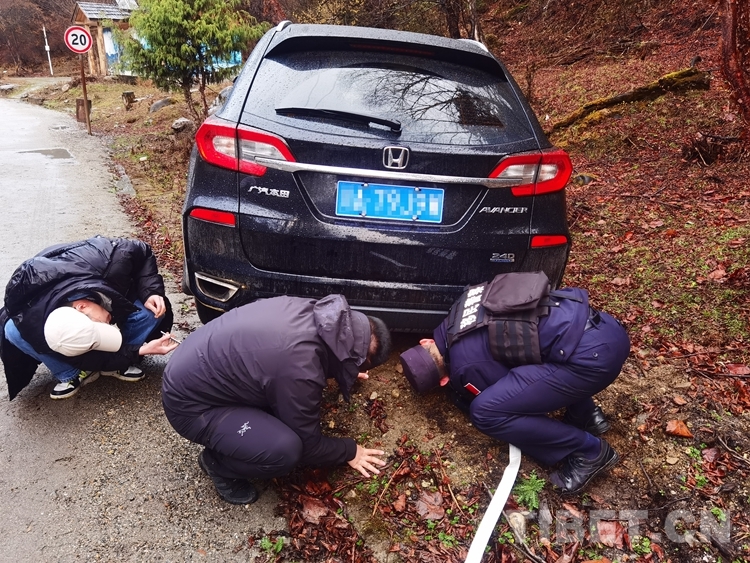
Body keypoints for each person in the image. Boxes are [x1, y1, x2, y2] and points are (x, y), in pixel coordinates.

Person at [399, 275, 630, 495]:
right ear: (426, 341)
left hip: (594, 360)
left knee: (485, 412)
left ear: (443, 381)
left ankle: (589, 451)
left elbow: (514, 399)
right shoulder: (459, 309)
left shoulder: (463, 368)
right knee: (539, 346)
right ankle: (586, 415)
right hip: (603, 325)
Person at [161, 294, 392, 505]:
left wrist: (344, 367)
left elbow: (293, 359)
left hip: (193, 364)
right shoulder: (300, 367)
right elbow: (309, 446)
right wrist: (349, 450)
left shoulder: (316, 311)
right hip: (192, 408)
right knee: (286, 450)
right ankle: (217, 465)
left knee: (281, 404)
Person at [0, 236, 179, 400]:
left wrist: (151, 292)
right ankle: (71, 373)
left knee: (152, 310)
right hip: (45, 314)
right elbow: (82, 357)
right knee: (12, 330)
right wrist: (139, 351)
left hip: (95, 275)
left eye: (99, 325)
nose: (106, 325)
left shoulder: (113, 260)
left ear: (82, 306)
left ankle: (119, 362)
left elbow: (143, 251)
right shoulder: (34, 327)